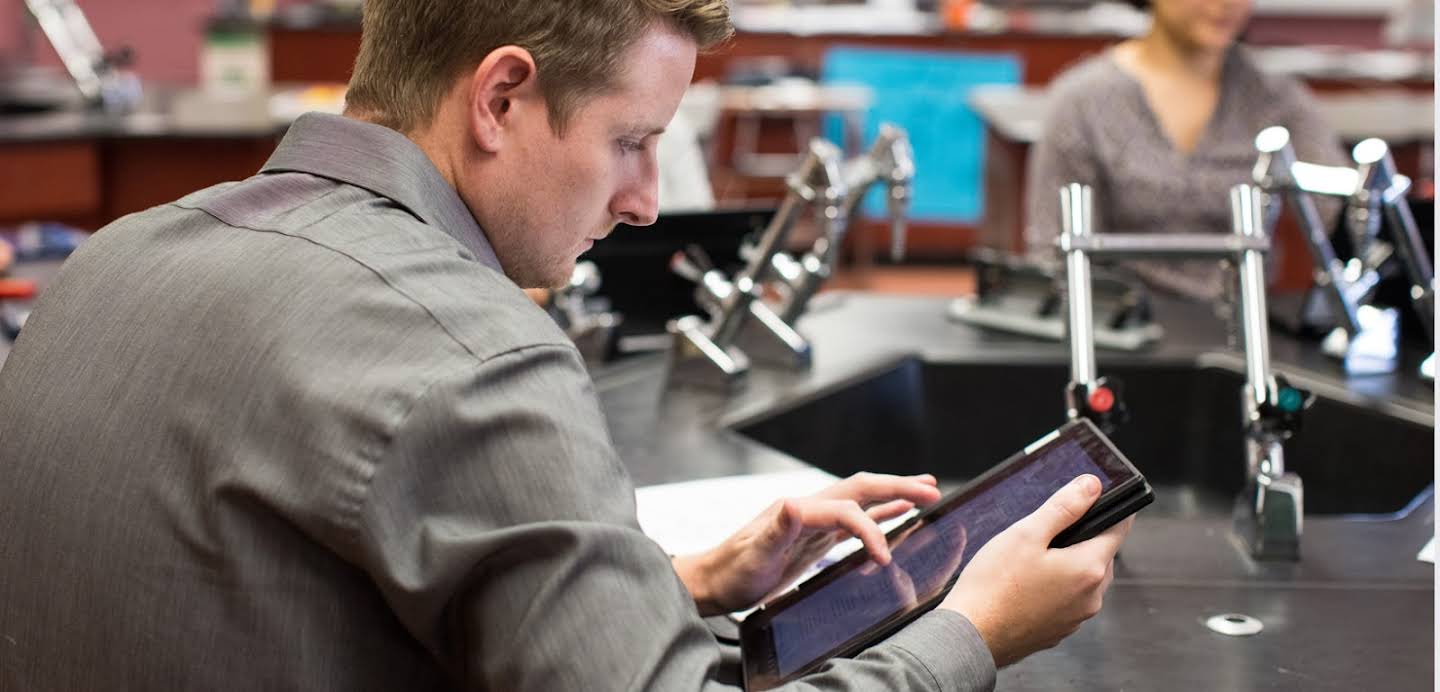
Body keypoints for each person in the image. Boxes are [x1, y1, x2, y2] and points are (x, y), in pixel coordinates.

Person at [0, 1, 1130, 690]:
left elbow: (288, 602)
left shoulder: (107, 260)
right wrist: (977, 629)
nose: (645, 200)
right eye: (630, 141)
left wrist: (672, 586)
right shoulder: (476, 350)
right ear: (500, 97)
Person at [1025, 0, 1344, 301]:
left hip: (1246, 328)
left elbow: (1341, 213)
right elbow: (1050, 251)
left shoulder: (1278, 100)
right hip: (1122, 331)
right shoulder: (1083, 102)